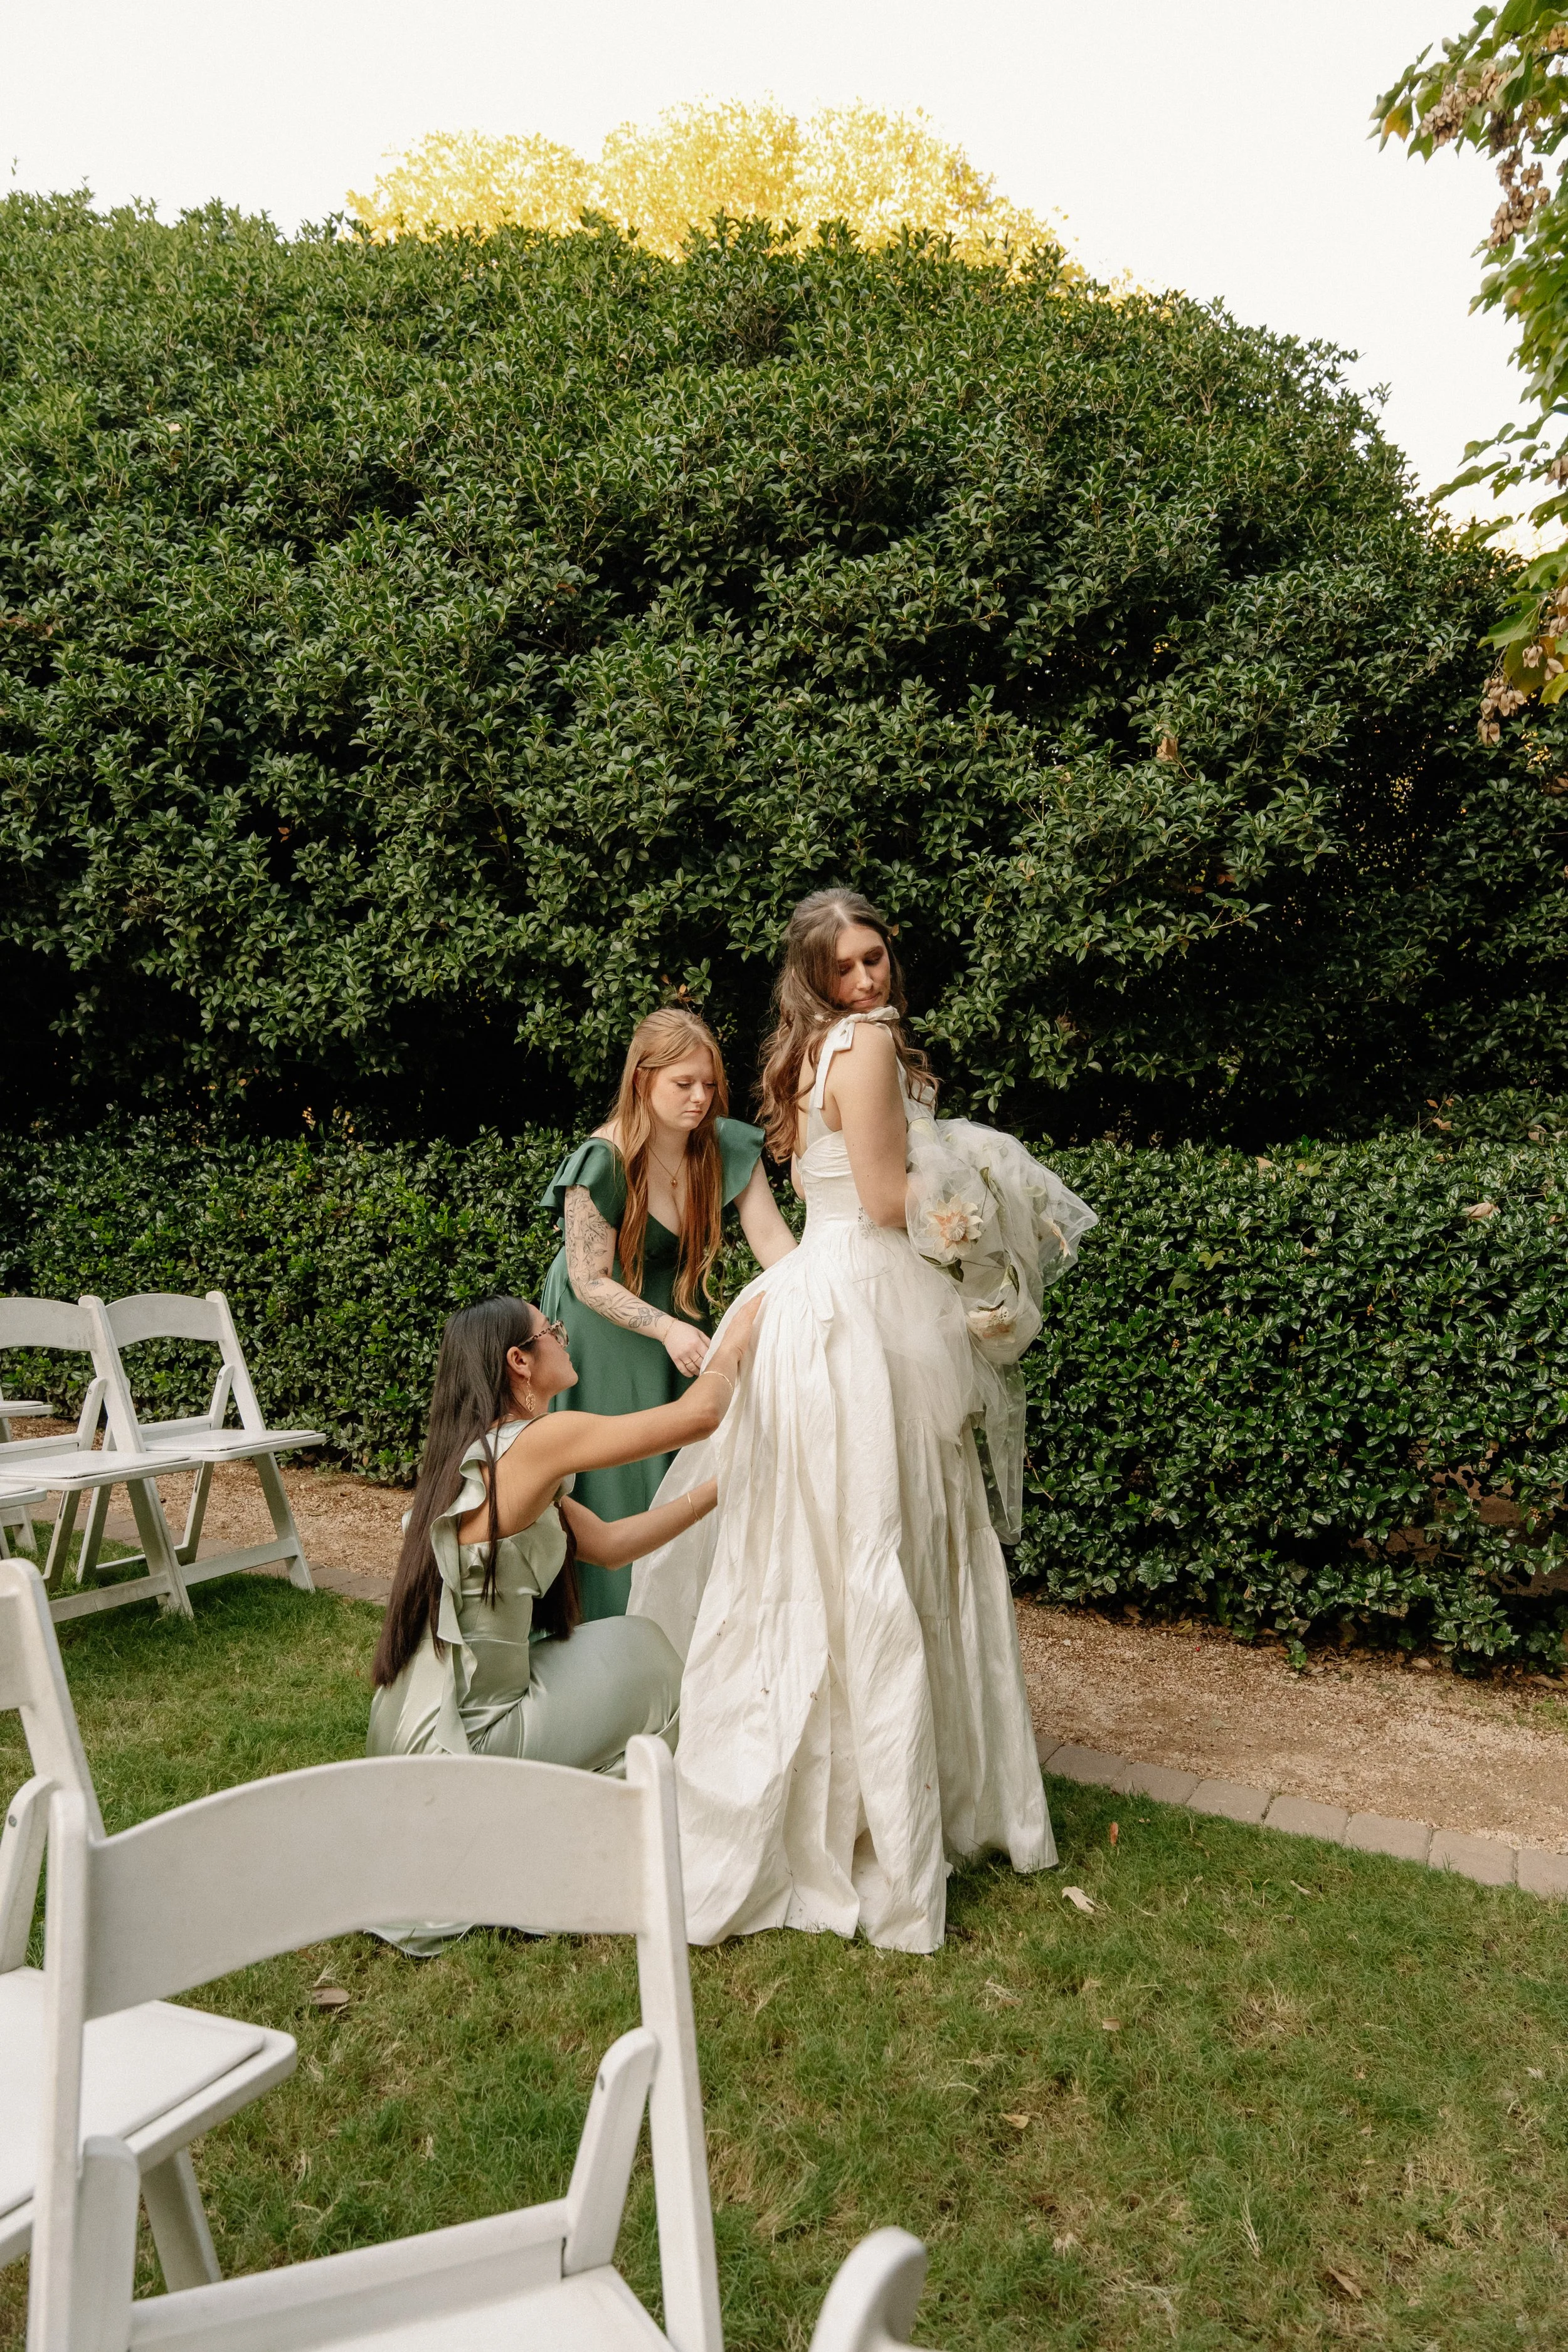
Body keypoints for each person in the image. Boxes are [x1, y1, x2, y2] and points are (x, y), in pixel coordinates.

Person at [630, 890, 1091, 1954]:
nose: (869, 981)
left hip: (811, 1298)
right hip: (865, 1302)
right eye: (846, 968)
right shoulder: (871, 1043)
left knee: (820, 1543)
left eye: (876, 959)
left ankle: (824, 1796)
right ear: (817, 974)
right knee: (888, 1536)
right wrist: (975, 1236)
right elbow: (887, 1199)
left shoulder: (802, 1053)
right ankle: (890, 1818)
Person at [367, 1290, 759, 1951]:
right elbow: (701, 1416)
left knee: (633, 1642)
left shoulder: (480, 1455)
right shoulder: (541, 1441)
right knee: (656, 1660)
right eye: (551, 1330)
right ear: (519, 1361)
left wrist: (725, 1488)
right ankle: (583, 1838)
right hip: (468, 1742)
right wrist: (738, 1332)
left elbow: (609, 1545)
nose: (563, 1336)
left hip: (409, 1727)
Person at [539, 1006, 796, 1622]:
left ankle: (681, 1633)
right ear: (642, 1081)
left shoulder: (727, 1147)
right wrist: (665, 1328)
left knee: (679, 1467)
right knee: (618, 1476)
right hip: (603, 1328)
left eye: (708, 1084)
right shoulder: (601, 1159)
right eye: (683, 1084)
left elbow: (777, 1250)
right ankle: (602, 1628)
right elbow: (587, 1278)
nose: (700, 1099)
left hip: (679, 1313)